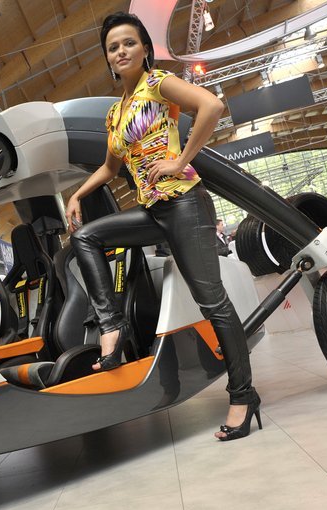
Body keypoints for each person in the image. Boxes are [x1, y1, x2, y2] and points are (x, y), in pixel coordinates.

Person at [65, 12, 261, 442]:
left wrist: (181, 160)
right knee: (86, 237)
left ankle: (244, 395)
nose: (121, 51)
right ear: (107, 57)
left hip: (185, 203)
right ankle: (112, 327)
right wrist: (77, 193)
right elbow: (110, 166)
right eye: (113, 47)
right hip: (153, 211)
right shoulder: (115, 113)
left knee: (213, 304)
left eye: (129, 43)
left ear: (144, 49)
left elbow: (211, 106)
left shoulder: (157, 84)